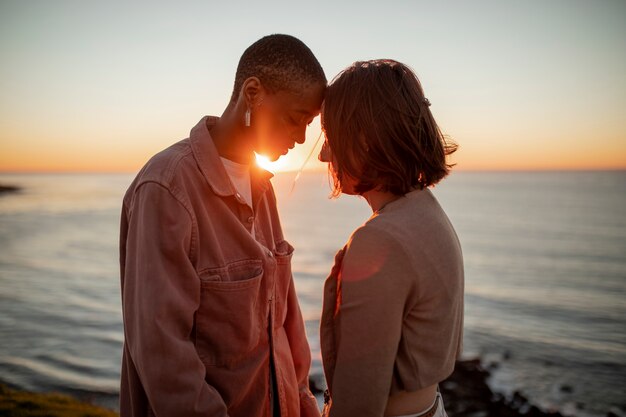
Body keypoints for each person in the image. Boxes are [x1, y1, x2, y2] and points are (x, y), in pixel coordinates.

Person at [119, 34, 326, 417]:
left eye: (309, 124)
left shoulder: (262, 184)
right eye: (296, 119)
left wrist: (302, 400)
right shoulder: (167, 187)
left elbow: (285, 322)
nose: (301, 137)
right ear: (253, 93)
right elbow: (162, 351)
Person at [318, 59, 464, 417]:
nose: (323, 154)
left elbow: (358, 408)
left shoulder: (379, 241)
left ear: (365, 140)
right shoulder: (428, 213)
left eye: (331, 136)